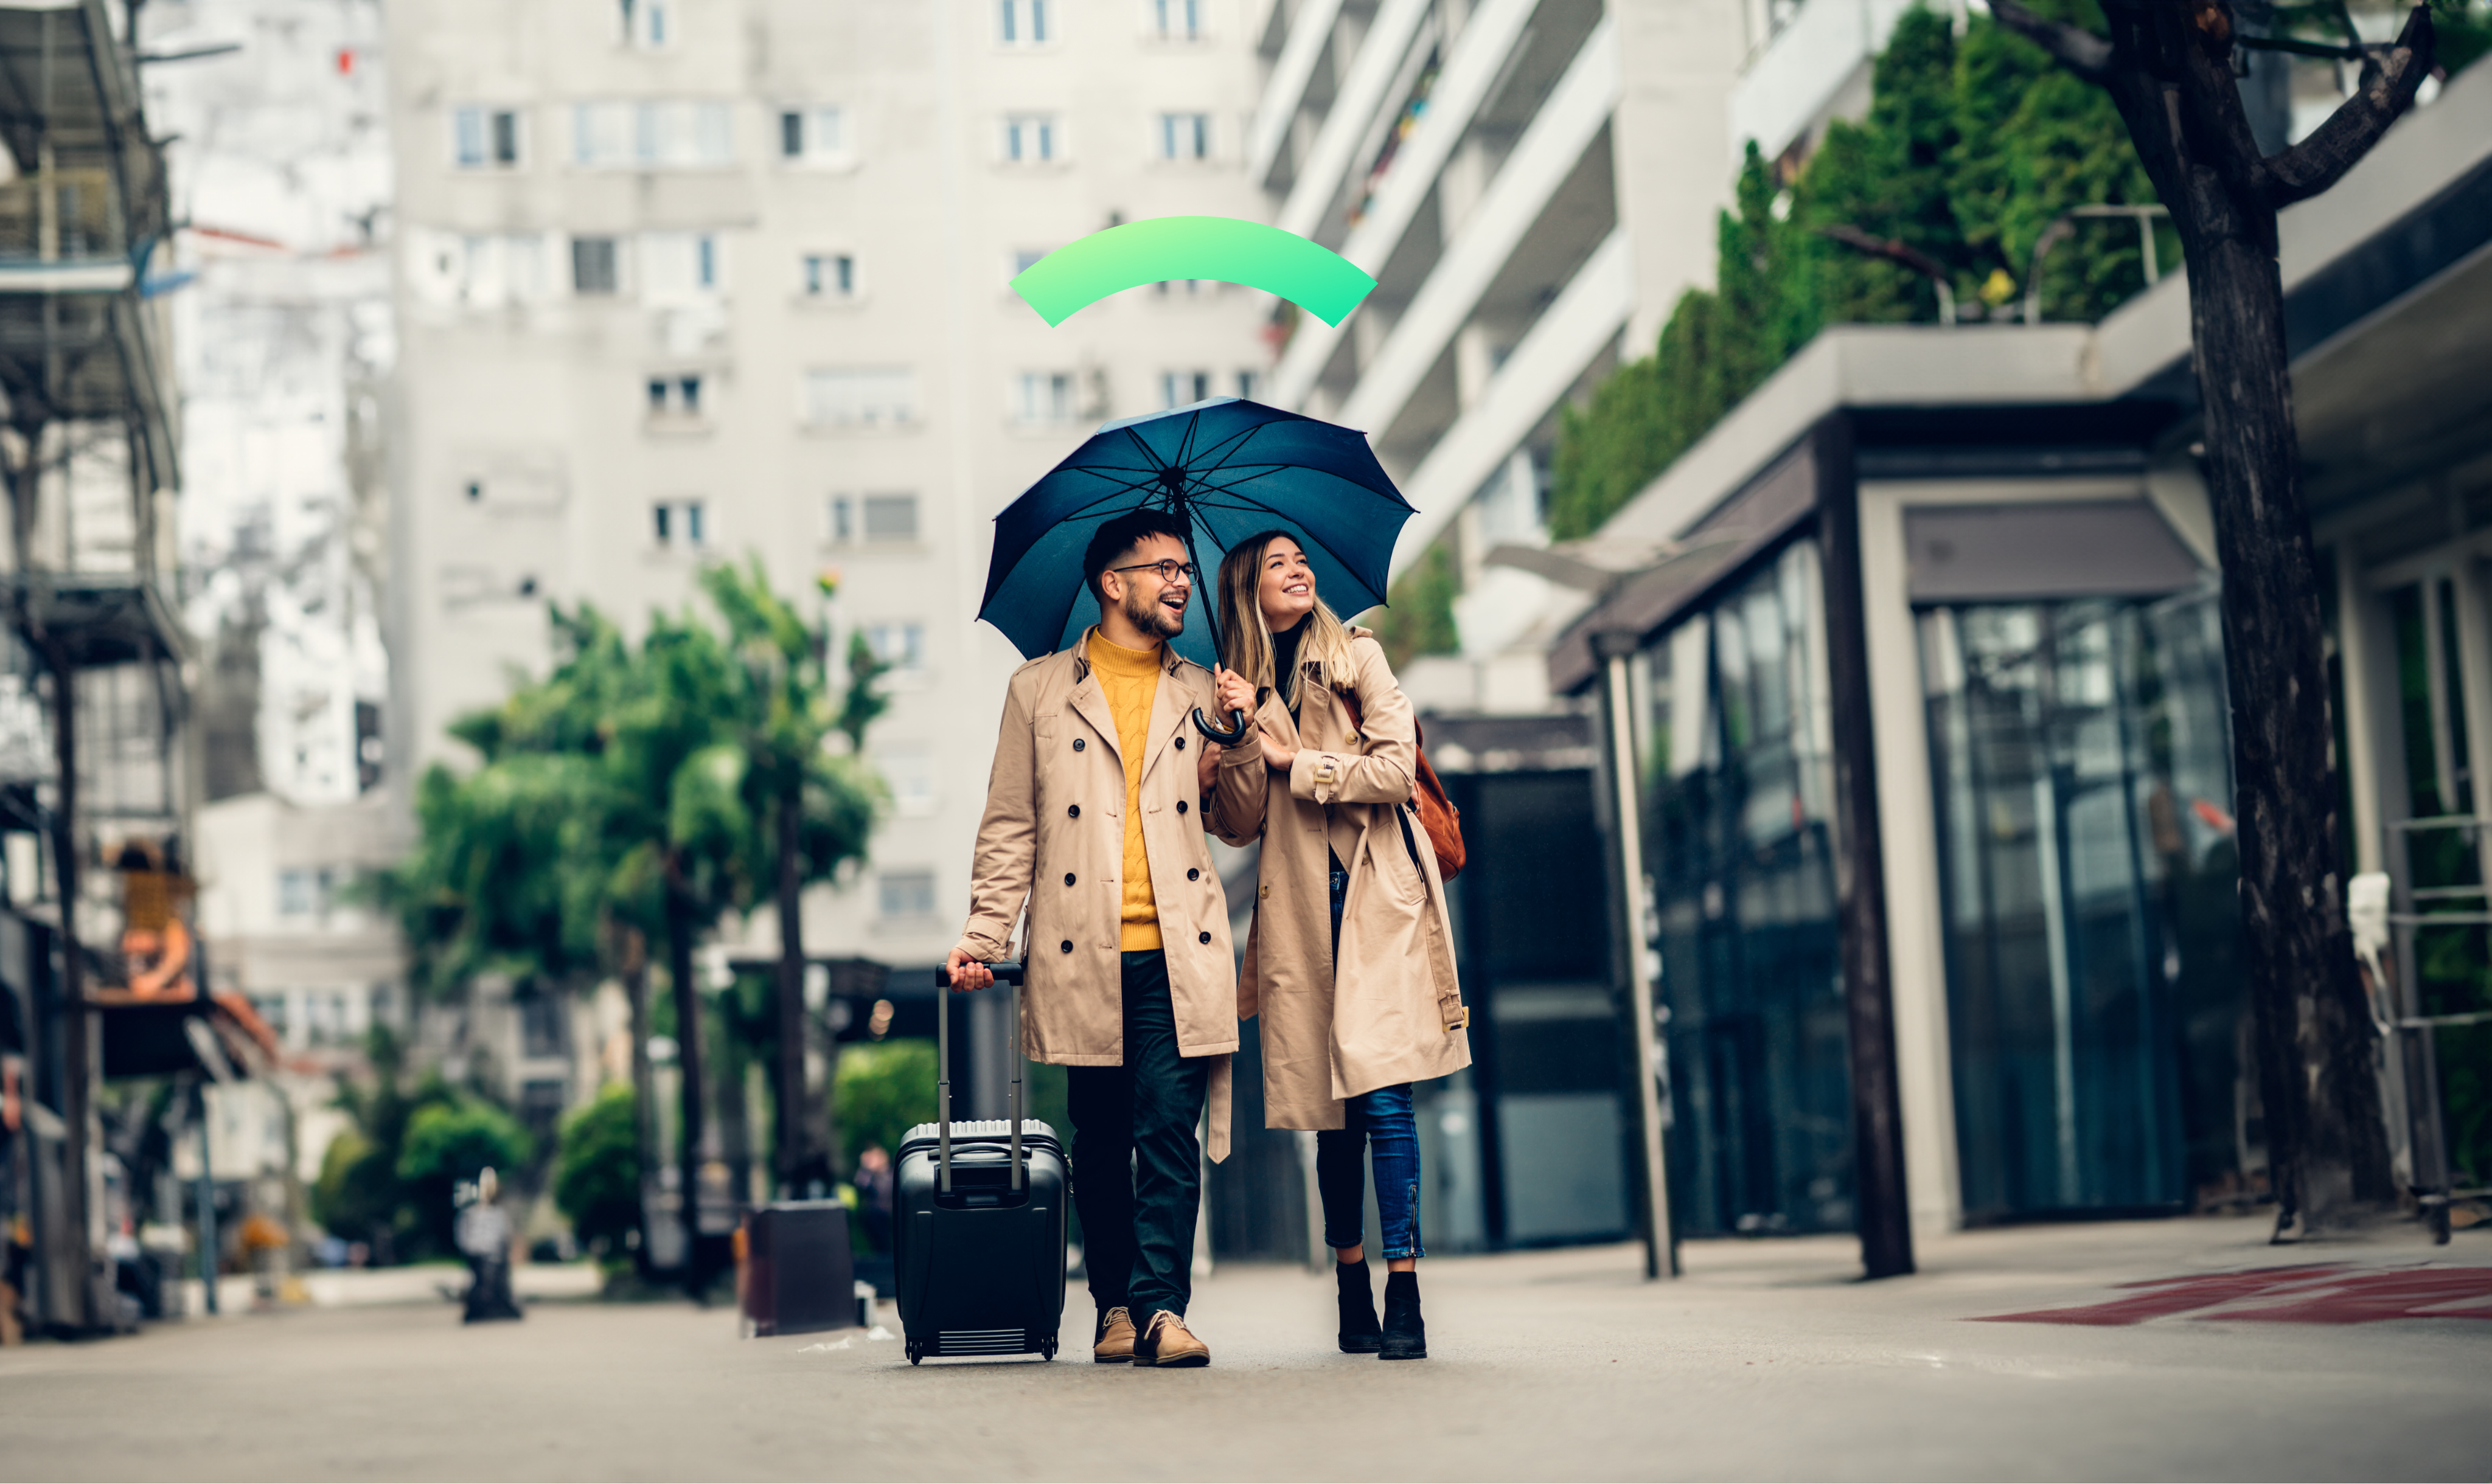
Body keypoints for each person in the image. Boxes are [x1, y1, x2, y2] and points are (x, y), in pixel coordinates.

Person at [945, 508, 1237, 1369]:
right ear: (1113, 583)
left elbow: (1240, 820)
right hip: (1080, 949)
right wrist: (982, 934)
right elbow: (1011, 825)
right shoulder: (1037, 690)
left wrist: (1240, 735)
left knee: (1168, 1129)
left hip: (1177, 947)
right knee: (1103, 1142)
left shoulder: (1203, 690)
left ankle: (1162, 1309)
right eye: (1163, 569)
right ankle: (1113, 1304)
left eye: (1185, 569)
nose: (1181, 582)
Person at [1208, 530, 1470, 1361]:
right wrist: (1242, 737)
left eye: (1301, 559)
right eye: (1276, 563)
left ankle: (1406, 1292)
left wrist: (1304, 762)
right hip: (1297, 917)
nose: (1298, 569)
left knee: (1385, 1099)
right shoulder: (1239, 689)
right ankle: (1349, 1283)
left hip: (1373, 900)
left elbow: (1396, 771)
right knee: (1332, 1117)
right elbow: (1242, 825)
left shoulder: (1357, 655)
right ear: (1248, 588)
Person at [456, 1167, 522, 1323]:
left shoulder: (498, 1214)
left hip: (494, 1253)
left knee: (499, 1274)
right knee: (481, 1277)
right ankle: (478, 1302)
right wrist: (472, 1249)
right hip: (477, 1253)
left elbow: (504, 1234)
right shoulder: (471, 1214)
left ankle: (500, 1301)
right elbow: (464, 1236)